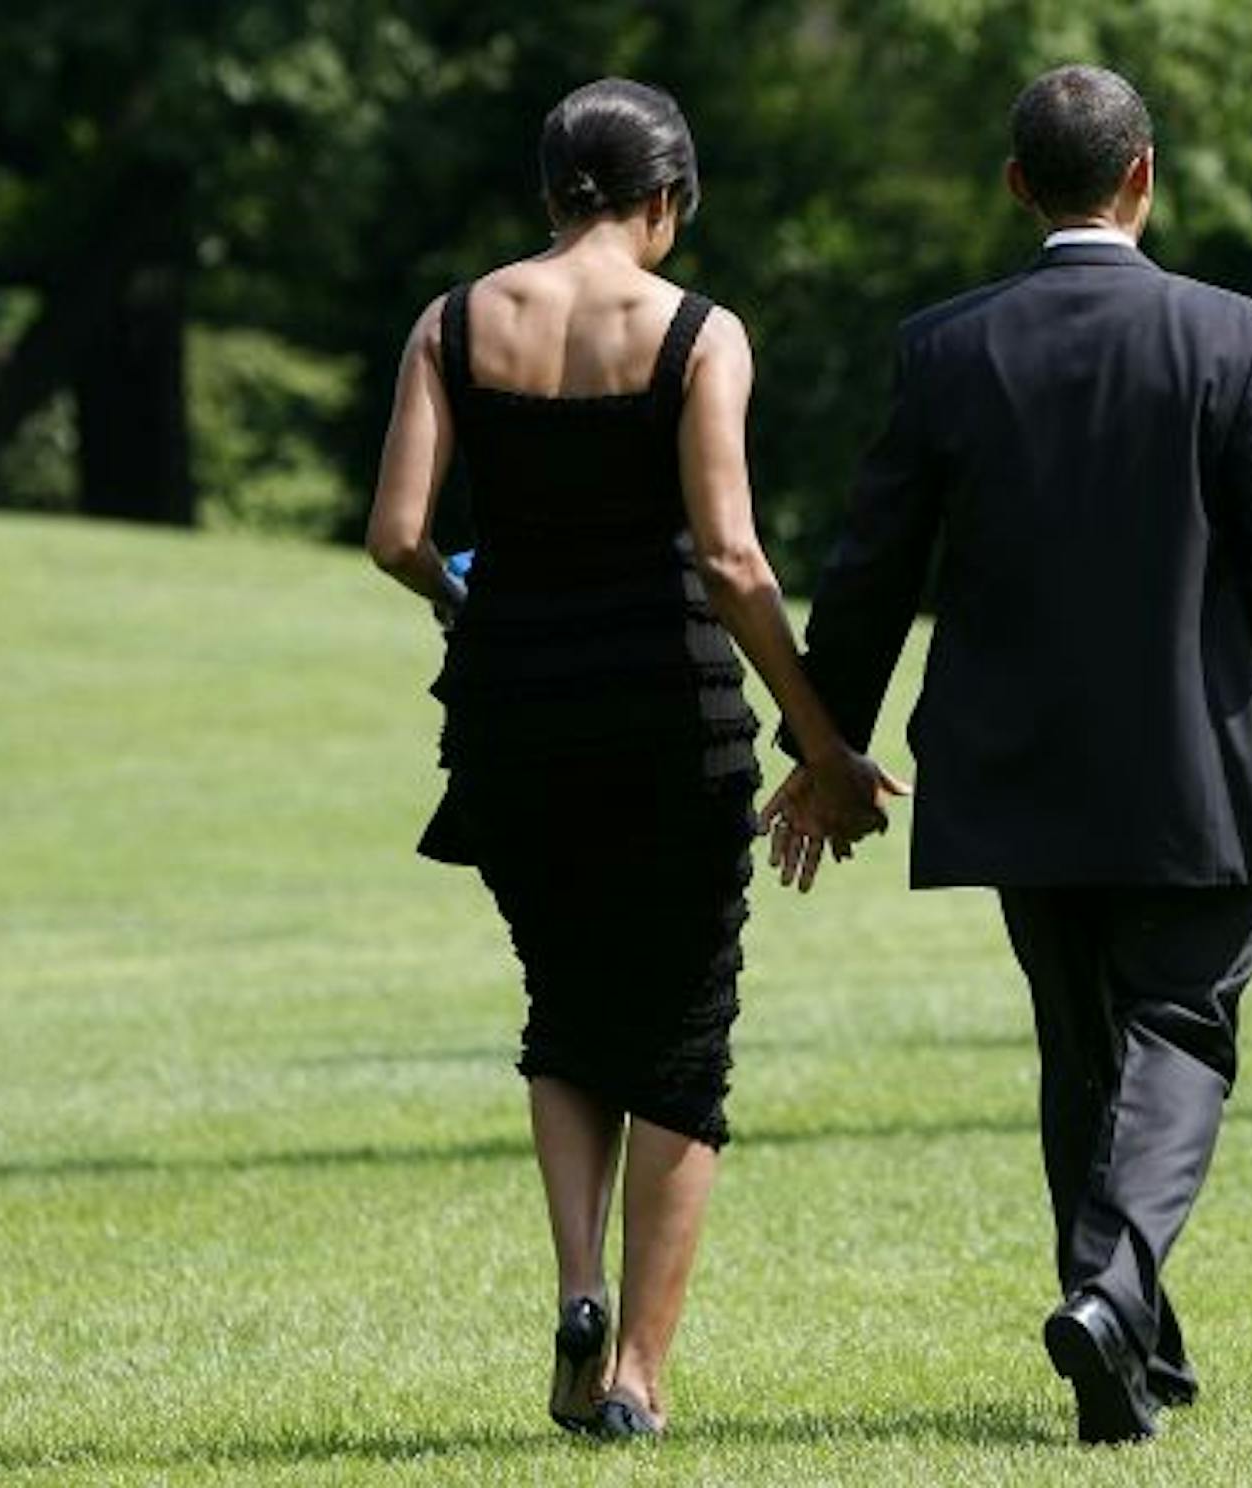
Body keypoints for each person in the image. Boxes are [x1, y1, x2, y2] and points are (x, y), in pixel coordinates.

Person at [764, 64, 1252, 1444]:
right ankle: (1107, 1294)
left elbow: (867, 573)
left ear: (1019, 185)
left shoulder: (946, 347)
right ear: (1144, 173)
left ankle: (1131, 1355)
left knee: (1082, 1045)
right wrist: (1220, 676)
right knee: (1183, 1029)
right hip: (1185, 762)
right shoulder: (1239, 335)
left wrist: (825, 742)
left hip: (1011, 764)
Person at [365, 78, 896, 1441]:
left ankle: (580, 1284)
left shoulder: (453, 321)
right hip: (667, 714)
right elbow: (728, 559)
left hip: (510, 714)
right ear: (670, 200)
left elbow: (397, 536)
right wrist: (821, 737)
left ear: (554, 195)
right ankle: (640, 1380)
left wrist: (466, 596)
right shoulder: (700, 335)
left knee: (566, 1001)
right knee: (685, 1034)